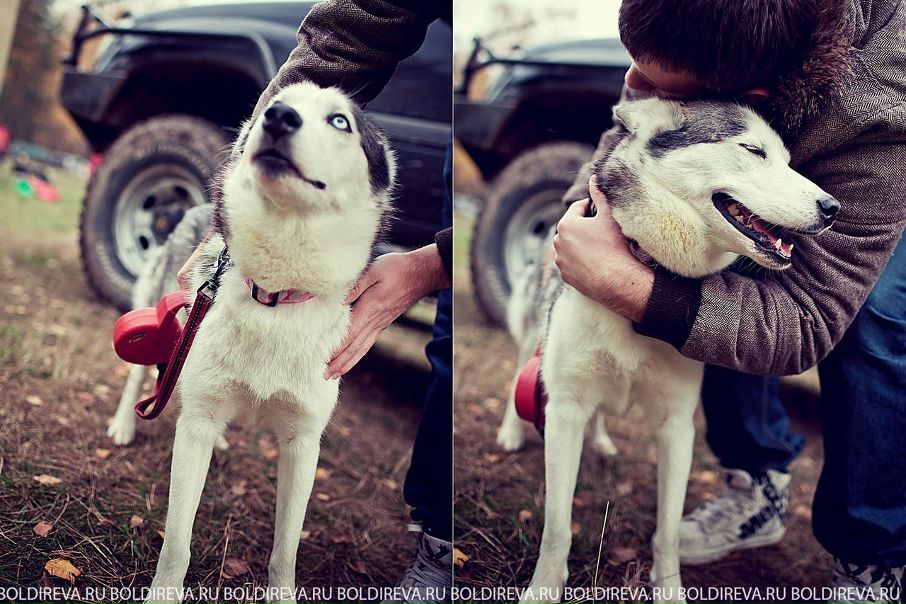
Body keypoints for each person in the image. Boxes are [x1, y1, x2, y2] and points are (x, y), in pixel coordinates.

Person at [552, 0, 905, 601]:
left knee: (876, 318)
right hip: (757, 141)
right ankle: (756, 479)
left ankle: (872, 555)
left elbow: (811, 315)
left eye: (660, 86)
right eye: (635, 71)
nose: (635, 88)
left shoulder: (886, 97)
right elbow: (637, 129)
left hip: (879, 173)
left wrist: (634, 290)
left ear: (752, 92)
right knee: (713, 251)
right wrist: (583, 217)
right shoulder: (690, 39)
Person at [177, 2, 454, 602]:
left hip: (327, 307)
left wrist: (439, 262)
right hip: (240, 291)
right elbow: (347, 29)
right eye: (284, 113)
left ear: (377, 185)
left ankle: (440, 541)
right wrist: (225, 223)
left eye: (338, 124)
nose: (284, 121)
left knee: (450, 350)